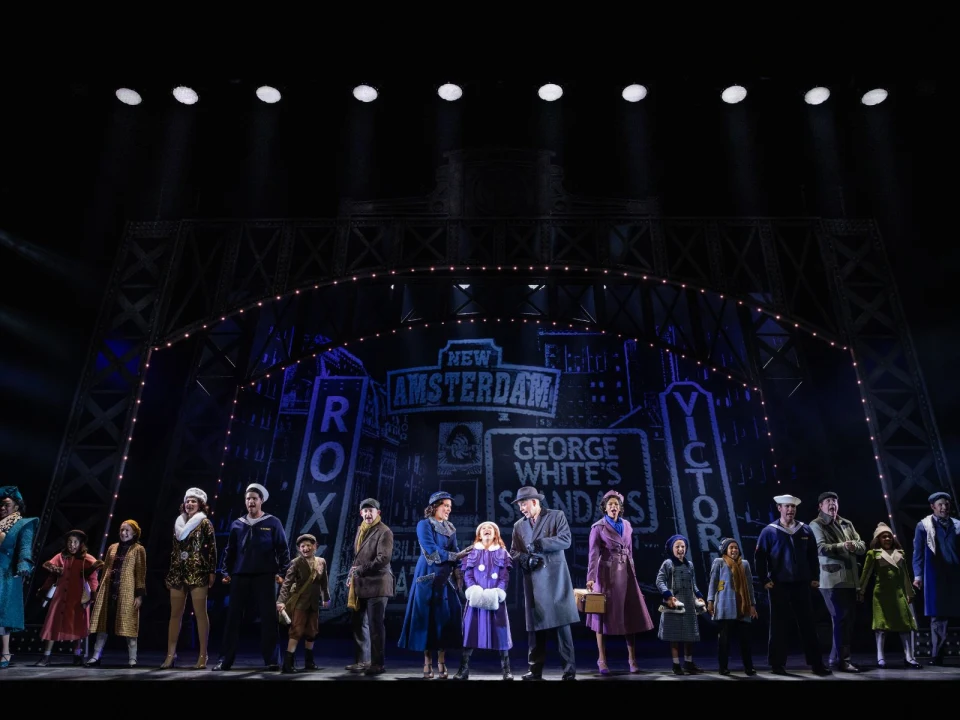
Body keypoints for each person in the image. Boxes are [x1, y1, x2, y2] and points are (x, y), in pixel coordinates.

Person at [215, 483, 291, 671]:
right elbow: (229, 550)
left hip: (265, 576)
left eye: (254, 498)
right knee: (232, 618)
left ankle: (272, 660)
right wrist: (226, 572)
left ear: (261, 501)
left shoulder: (273, 522)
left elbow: (283, 549)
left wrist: (282, 572)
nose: (250, 501)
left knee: (268, 619)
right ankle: (225, 659)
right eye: (248, 498)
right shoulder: (237, 524)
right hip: (240, 575)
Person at [754, 494, 831, 676]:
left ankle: (816, 664)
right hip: (779, 584)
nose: (790, 510)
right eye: (787, 507)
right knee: (779, 625)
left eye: (793, 507)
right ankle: (777, 664)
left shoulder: (804, 530)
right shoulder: (769, 531)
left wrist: (814, 576)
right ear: (779, 508)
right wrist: (764, 579)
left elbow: (813, 555)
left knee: (808, 624)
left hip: (801, 584)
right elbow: (760, 557)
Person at [510, 485, 579, 681]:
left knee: (562, 626)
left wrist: (541, 544)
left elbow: (565, 540)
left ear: (534, 501)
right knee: (535, 628)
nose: (521, 508)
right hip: (533, 580)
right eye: (520, 505)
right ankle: (535, 670)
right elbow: (514, 551)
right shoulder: (518, 526)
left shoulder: (556, 516)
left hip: (555, 579)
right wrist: (525, 559)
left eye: (523, 504)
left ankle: (569, 671)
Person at [398, 490, 468, 678]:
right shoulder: (424, 524)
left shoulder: (451, 528)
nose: (448, 509)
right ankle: (427, 662)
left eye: (450, 507)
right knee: (427, 619)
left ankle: (442, 662)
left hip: (446, 579)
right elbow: (431, 551)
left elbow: (456, 550)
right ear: (435, 506)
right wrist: (455, 556)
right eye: (445, 505)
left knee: (443, 620)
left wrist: (459, 568)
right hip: (428, 576)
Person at [585, 489, 653, 675]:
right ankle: (602, 660)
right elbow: (593, 554)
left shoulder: (628, 525)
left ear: (620, 507)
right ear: (605, 508)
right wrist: (590, 578)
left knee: (628, 614)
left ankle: (632, 659)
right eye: (610, 504)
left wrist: (635, 576)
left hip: (627, 573)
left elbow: (630, 551)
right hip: (607, 574)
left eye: (616, 504)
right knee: (602, 615)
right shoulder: (598, 527)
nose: (613, 507)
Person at [809, 490, 866, 672]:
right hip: (832, 580)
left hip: (850, 579)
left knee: (846, 620)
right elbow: (821, 548)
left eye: (834, 501)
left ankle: (836, 659)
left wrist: (853, 545)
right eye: (828, 501)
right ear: (821, 506)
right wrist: (844, 546)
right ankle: (843, 660)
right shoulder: (816, 524)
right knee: (841, 619)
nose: (832, 504)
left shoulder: (846, 523)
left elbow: (862, 545)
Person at [161, 487, 217, 669]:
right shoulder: (178, 524)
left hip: (198, 572)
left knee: (200, 614)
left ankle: (203, 655)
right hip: (178, 572)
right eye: (187, 501)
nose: (190, 504)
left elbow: (212, 549)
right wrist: (171, 572)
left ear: (200, 504)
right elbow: (174, 551)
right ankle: (170, 654)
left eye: (194, 501)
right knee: (174, 615)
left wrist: (211, 571)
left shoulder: (204, 523)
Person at [452, 521, 514, 680]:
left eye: (490, 528)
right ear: (479, 534)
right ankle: (463, 670)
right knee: (470, 633)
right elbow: (468, 576)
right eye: (483, 528)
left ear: (496, 534)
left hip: (495, 600)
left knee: (500, 634)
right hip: (475, 600)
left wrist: (497, 593)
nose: (487, 530)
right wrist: (474, 591)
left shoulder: (503, 554)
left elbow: (504, 578)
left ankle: (506, 670)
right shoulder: (471, 554)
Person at [33, 530, 103, 666]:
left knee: (78, 626)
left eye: (75, 542)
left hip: (78, 598)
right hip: (60, 596)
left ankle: (77, 656)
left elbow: (93, 580)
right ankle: (46, 656)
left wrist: (91, 597)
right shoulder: (61, 557)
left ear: (80, 543)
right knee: (52, 624)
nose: (72, 545)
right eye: (70, 542)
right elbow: (51, 576)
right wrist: (44, 591)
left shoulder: (87, 559)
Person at [858, 522, 921, 669]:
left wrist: (909, 592)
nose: (887, 539)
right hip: (881, 595)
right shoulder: (873, 554)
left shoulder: (900, 553)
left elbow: (905, 575)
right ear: (878, 539)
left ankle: (909, 657)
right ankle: (880, 657)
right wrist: (860, 591)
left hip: (899, 594)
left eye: (889, 536)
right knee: (881, 627)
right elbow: (866, 574)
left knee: (905, 626)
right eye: (883, 536)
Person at [86, 520, 147, 667]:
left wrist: (139, 595)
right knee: (103, 625)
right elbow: (107, 568)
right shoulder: (112, 547)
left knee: (129, 626)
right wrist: (100, 589)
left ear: (134, 532)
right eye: (122, 530)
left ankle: (132, 658)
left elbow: (140, 573)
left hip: (127, 593)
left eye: (127, 530)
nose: (124, 533)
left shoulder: (138, 549)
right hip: (108, 591)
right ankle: (96, 656)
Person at [345, 497, 395, 676]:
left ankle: (378, 663)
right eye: (364, 511)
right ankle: (362, 661)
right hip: (361, 583)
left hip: (378, 583)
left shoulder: (384, 531)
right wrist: (353, 574)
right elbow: (359, 557)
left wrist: (360, 570)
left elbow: (383, 558)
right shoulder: (361, 529)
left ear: (377, 513)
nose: (367, 513)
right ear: (361, 513)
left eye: (371, 510)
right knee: (359, 624)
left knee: (375, 626)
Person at [912, 491, 960, 665]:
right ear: (933, 507)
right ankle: (937, 654)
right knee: (938, 616)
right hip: (935, 576)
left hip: (956, 575)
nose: (944, 507)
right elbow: (917, 554)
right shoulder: (923, 526)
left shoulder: (957, 525)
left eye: (946, 504)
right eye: (940, 504)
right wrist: (918, 576)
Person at [276, 533, 330, 674]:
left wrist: (326, 598)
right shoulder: (296, 562)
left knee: (312, 631)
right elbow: (286, 584)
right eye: (302, 546)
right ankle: (288, 664)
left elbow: (324, 581)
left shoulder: (321, 562)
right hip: (300, 603)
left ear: (315, 547)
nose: (306, 548)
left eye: (308, 545)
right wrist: (281, 601)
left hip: (314, 603)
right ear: (299, 549)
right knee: (296, 631)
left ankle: (309, 662)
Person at [656, 534, 706, 675]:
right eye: (677, 546)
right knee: (675, 636)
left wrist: (700, 597)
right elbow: (659, 581)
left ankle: (688, 663)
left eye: (682, 546)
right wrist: (668, 596)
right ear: (672, 549)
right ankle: (676, 664)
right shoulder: (668, 564)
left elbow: (693, 584)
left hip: (689, 604)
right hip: (675, 604)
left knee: (689, 636)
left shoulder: (689, 565)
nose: (680, 549)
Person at [707, 537, 758, 676]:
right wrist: (710, 601)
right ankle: (723, 667)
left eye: (736, 547)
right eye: (731, 548)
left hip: (743, 607)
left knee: (745, 641)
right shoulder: (719, 562)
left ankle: (749, 667)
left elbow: (749, 586)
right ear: (725, 550)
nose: (734, 550)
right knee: (724, 641)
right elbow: (713, 582)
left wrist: (752, 605)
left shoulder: (745, 564)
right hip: (725, 606)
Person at [0, 486, 38, 669]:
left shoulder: (24, 524)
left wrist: (24, 565)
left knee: (3, 614)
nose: (2, 507)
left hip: (6, 574)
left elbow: (24, 548)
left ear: (16, 506)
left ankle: (5, 652)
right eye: (1, 504)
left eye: (6, 504)